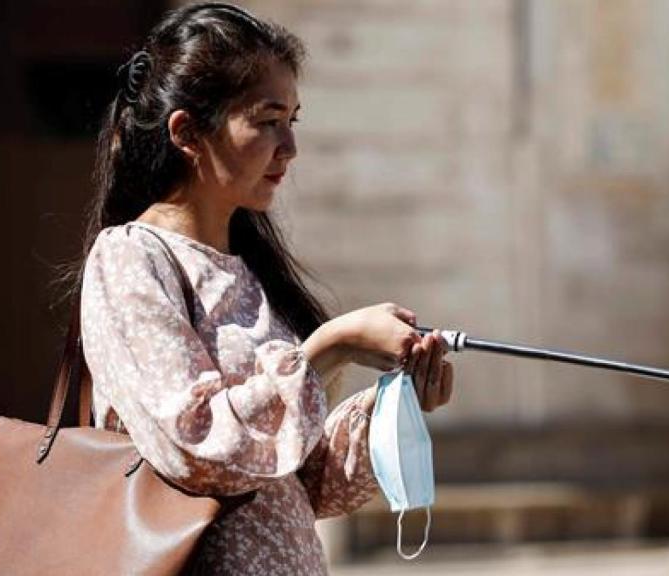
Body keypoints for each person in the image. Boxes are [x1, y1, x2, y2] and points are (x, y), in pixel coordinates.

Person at [67, 3, 454, 574]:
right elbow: (196, 446)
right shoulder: (130, 258)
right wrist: (328, 348)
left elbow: (304, 484)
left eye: (293, 120)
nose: (290, 147)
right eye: (268, 119)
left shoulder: (247, 270)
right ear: (188, 133)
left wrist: (393, 402)